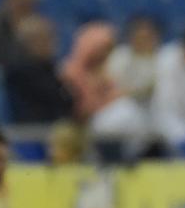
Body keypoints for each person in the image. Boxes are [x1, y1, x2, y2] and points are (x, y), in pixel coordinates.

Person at [61, 21, 152, 152]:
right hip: (82, 125)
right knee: (127, 110)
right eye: (102, 48)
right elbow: (79, 108)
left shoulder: (105, 70)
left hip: (107, 123)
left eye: (108, 49)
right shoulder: (71, 72)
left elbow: (114, 95)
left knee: (132, 112)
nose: (105, 53)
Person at [3, 15, 74, 123]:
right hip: (34, 127)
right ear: (30, 42)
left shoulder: (47, 66)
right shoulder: (21, 70)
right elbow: (57, 96)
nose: (53, 44)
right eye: (46, 38)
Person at [107, 15, 161, 105]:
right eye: (139, 37)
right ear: (131, 37)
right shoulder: (120, 56)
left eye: (147, 38)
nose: (143, 42)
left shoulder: (164, 59)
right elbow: (111, 85)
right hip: (124, 104)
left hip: (156, 106)